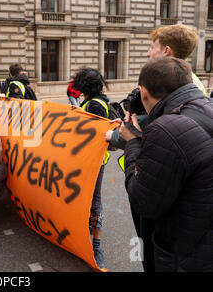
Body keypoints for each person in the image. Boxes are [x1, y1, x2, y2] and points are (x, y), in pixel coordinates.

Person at [119, 57, 213, 271]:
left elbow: (143, 201)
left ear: (143, 93)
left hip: (186, 256)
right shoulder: (206, 107)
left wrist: (133, 142)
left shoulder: (166, 129)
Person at [107, 24, 208, 148]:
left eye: (152, 47)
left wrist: (116, 135)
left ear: (166, 51)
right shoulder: (190, 80)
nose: (148, 53)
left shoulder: (172, 83)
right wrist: (129, 124)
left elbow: (160, 128)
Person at [72, 67, 110, 270]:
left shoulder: (94, 105)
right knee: (88, 199)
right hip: (88, 161)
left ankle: (96, 247)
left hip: (93, 162)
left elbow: (95, 136)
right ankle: (88, 231)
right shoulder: (91, 102)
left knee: (95, 201)